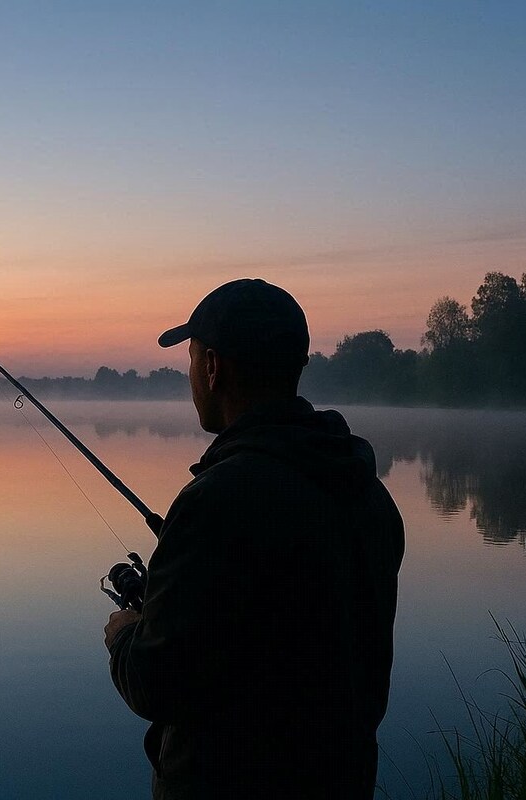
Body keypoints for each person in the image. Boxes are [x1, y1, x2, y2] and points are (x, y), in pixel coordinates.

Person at [104, 278, 405, 799]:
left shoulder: (215, 503)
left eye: (194, 359)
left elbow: (156, 680)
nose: (192, 376)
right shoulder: (369, 496)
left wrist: (126, 633)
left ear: (214, 368)